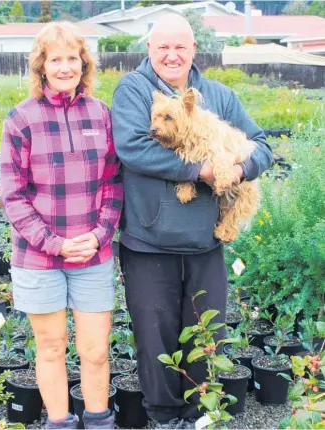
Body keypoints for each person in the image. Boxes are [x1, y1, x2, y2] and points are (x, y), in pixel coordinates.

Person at [111, 14, 273, 429]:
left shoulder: (217, 95)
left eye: (180, 46)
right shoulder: (134, 90)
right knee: (155, 336)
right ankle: (165, 418)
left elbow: (263, 146)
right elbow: (132, 149)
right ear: (149, 49)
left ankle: (199, 415)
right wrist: (199, 170)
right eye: (163, 46)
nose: (172, 55)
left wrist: (241, 169)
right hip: (149, 240)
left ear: (194, 50)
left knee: (207, 334)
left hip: (205, 242)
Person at [0, 21, 123, 430]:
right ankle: (59, 422)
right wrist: (53, 243)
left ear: (83, 64)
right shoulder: (21, 119)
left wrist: (99, 235)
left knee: (95, 350)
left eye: (73, 58)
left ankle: (99, 420)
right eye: (56, 59)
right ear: (42, 66)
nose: (65, 67)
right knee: (51, 347)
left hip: (92, 253)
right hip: (38, 258)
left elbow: (113, 183)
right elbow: (12, 195)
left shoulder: (101, 114)